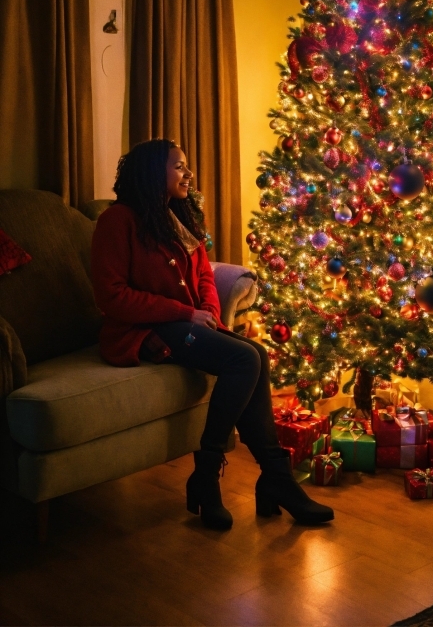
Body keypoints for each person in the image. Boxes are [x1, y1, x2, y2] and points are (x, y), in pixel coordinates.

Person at [91, 138, 333, 531]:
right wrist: (186, 312)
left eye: (186, 166)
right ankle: (218, 475)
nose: (188, 174)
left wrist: (209, 313)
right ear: (154, 173)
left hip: (186, 323)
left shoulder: (181, 216)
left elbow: (204, 274)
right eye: (178, 167)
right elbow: (112, 297)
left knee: (255, 353)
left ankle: (271, 478)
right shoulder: (118, 221)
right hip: (145, 329)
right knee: (244, 357)